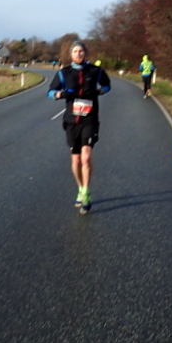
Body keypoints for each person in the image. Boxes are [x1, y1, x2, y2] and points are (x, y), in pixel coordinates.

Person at [48, 40, 110, 214]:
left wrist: (100, 91)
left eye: (81, 51)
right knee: (75, 160)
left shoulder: (95, 71)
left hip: (90, 119)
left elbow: (107, 85)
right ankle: (80, 188)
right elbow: (50, 92)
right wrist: (60, 94)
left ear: (85, 53)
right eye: (75, 51)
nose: (78, 54)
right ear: (71, 54)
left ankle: (86, 192)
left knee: (86, 157)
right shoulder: (64, 73)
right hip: (71, 120)